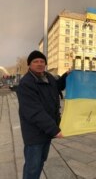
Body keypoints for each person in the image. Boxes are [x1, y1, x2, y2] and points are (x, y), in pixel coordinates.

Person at [16, 50, 68, 179]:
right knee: (32, 167)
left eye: (42, 61)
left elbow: (57, 86)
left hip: (47, 131)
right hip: (34, 133)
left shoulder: (48, 76)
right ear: (29, 65)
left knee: (41, 161)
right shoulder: (26, 83)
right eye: (35, 61)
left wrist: (66, 76)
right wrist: (54, 129)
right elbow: (34, 111)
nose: (39, 64)